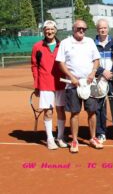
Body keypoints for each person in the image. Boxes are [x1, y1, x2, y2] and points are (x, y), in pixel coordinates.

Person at [56, 20, 103, 153]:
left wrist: (93, 72)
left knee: (92, 112)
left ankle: (93, 138)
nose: (82, 30)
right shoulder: (65, 43)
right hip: (72, 85)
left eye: (84, 28)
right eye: (79, 28)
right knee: (74, 113)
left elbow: (96, 60)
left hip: (90, 84)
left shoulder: (90, 41)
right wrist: (71, 77)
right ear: (73, 29)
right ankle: (75, 140)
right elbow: (61, 63)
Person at [31, 20, 67, 150]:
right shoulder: (37, 46)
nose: (49, 31)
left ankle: (60, 137)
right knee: (48, 112)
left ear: (56, 30)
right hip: (45, 83)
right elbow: (34, 66)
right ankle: (50, 139)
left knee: (61, 110)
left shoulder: (62, 45)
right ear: (44, 31)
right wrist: (37, 84)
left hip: (61, 83)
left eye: (52, 29)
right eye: (47, 29)